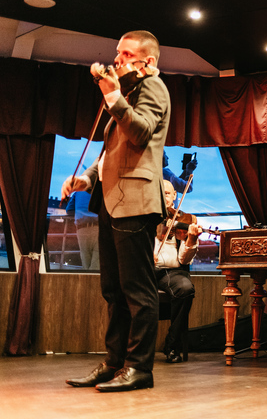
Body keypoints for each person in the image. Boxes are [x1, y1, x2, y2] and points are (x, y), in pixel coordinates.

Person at [61, 30, 170, 392]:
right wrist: (87, 178)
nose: (117, 60)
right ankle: (114, 362)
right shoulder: (128, 92)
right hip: (112, 200)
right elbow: (113, 151)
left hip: (136, 202)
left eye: (125, 54)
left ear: (148, 61)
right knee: (113, 290)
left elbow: (139, 134)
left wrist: (112, 95)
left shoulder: (153, 89)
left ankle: (140, 369)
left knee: (138, 291)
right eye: (117, 53)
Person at [155, 180, 203, 363]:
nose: (163, 196)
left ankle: (172, 345)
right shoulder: (147, 217)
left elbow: (184, 259)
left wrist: (190, 239)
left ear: (175, 195)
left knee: (185, 289)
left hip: (173, 273)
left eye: (167, 193)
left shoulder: (184, 219)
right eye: (159, 193)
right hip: (147, 270)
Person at [65, 190, 100, 270]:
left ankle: (87, 280)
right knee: (97, 265)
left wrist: (81, 213)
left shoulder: (78, 191)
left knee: (85, 264)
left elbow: (69, 210)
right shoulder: (101, 189)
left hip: (82, 228)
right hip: (98, 228)